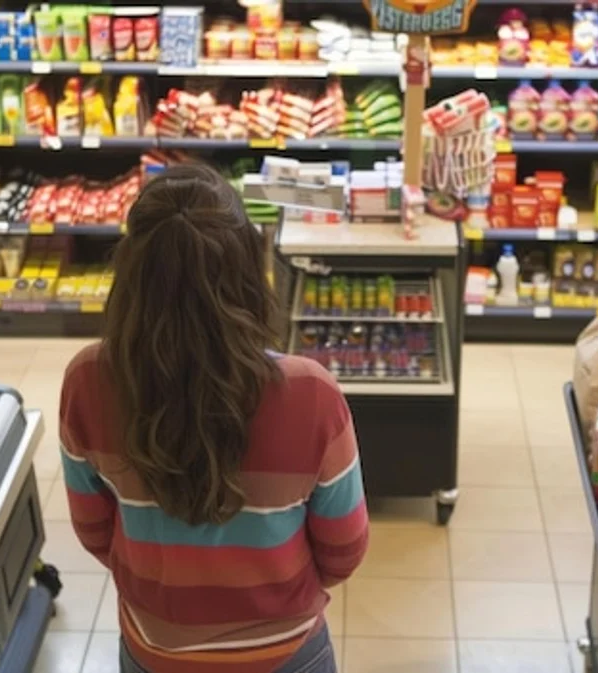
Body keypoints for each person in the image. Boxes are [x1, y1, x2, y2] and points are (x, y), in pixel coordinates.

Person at [58, 164, 368, 672]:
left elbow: (95, 531)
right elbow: (344, 549)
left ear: (131, 270)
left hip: (153, 651)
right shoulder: (310, 394)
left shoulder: (88, 380)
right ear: (248, 265)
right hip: (285, 653)